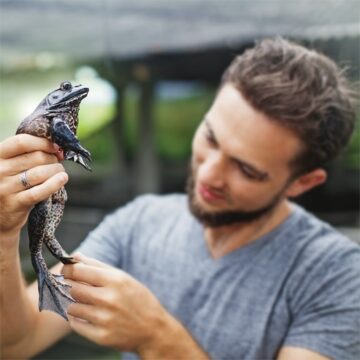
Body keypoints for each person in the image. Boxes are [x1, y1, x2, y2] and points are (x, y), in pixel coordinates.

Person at [1, 37, 359, 360]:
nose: (209, 173)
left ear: (303, 182)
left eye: (247, 169)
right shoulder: (140, 223)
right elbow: (17, 342)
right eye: (211, 137)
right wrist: (4, 233)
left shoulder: (337, 277)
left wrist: (157, 337)